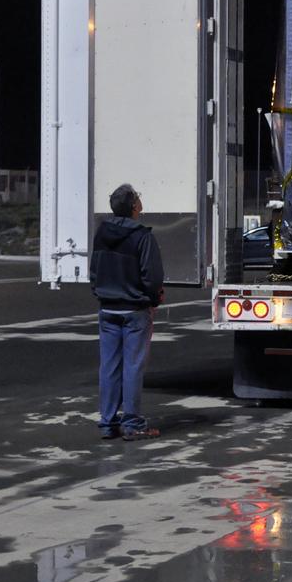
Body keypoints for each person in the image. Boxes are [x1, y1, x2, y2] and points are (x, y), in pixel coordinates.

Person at [89, 183, 164, 440]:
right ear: (134, 206)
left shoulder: (102, 233)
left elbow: (95, 270)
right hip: (134, 310)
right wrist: (153, 298)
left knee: (109, 366)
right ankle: (132, 424)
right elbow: (152, 276)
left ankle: (108, 423)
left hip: (108, 308)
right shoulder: (143, 236)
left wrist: (100, 293)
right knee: (132, 367)